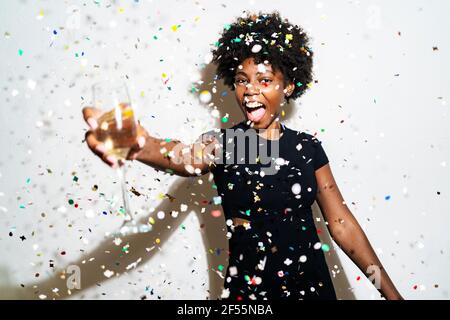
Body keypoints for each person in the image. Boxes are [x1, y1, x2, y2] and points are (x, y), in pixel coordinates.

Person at [82, 11, 404, 300]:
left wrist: (392, 296)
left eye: (264, 80)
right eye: (241, 80)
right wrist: (143, 144)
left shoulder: (307, 148)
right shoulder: (227, 144)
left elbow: (341, 223)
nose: (250, 91)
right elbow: (182, 157)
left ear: (288, 85)